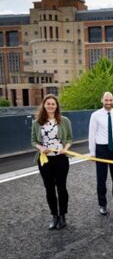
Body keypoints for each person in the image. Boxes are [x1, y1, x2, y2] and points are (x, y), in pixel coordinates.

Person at [31, 94, 73, 230]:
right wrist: (41, 147)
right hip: (45, 160)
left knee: (61, 188)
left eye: (53, 104)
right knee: (49, 188)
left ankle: (62, 216)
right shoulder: (37, 122)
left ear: (57, 106)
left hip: (61, 159)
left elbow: (69, 138)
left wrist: (65, 149)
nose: (50, 106)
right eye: (48, 103)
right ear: (44, 105)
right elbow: (33, 140)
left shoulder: (64, 120)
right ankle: (54, 215)